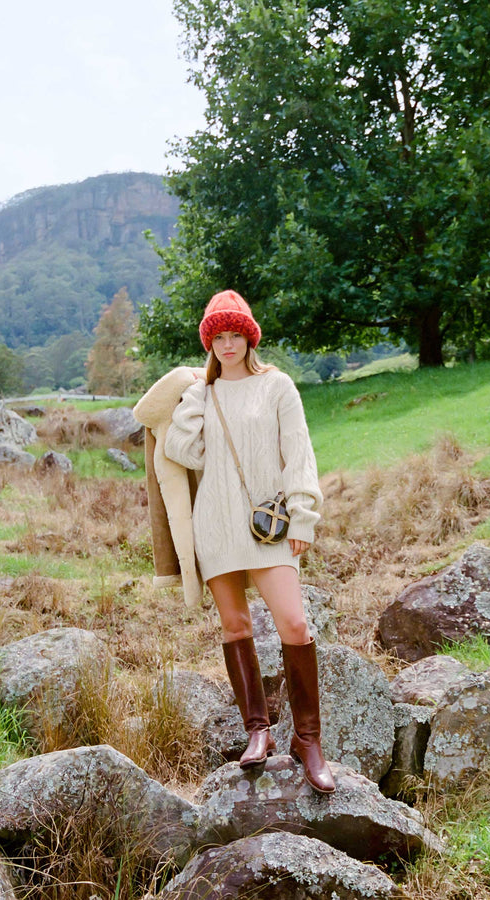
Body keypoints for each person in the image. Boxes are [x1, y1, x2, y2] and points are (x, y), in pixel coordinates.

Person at [163, 290, 334, 794]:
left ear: (249, 338)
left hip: (270, 525)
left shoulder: (277, 385)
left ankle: (308, 741)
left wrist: (303, 518)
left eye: (235, 333)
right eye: (218, 336)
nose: (228, 344)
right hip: (215, 524)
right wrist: (195, 395)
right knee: (235, 626)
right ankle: (258, 731)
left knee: (294, 624)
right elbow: (181, 449)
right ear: (209, 343)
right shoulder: (204, 394)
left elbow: (299, 454)